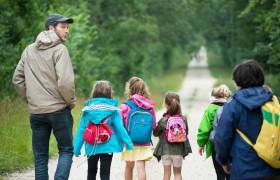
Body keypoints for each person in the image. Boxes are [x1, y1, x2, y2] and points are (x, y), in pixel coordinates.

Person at [12, 14, 76, 180]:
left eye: (67, 27)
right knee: (66, 150)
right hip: (59, 110)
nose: (67, 30)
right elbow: (65, 83)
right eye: (63, 26)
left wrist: (31, 99)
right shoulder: (60, 49)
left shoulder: (29, 50)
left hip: (37, 112)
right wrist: (71, 101)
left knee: (40, 156)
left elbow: (17, 80)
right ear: (51, 27)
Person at [214, 60, 280, 179]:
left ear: (238, 81)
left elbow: (221, 137)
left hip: (243, 169)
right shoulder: (272, 102)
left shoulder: (233, 106)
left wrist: (223, 161)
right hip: (272, 169)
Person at [73, 81, 134, 180]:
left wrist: (77, 148)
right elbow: (120, 129)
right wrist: (129, 144)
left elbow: (81, 130)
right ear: (110, 93)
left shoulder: (87, 110)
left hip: (91, 146)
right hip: (108, 147)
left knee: (91, 172)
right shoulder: (113, 110)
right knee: (105, 173)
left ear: (94, 93)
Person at [120, 76, 156, 180]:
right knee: (141, 168)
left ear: (129, 88)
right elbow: (153, 125)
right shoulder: (149, 106)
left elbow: (120, 125)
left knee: (129, 166)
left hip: (130, 141)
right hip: (144, 141)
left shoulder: (125, 106)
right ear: (144, 89)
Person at [153, 92, 192, 180]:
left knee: (166, 174)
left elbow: (155, 133)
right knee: (177, 174)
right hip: (178, 152)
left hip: (165, 152)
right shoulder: (183, 119)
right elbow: (186, 133)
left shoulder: (163, 120)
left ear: (166, 105)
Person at [197, 85, 231, 180]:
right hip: (230, 144)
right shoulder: (231, 107)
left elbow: (204, 129)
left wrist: (201, 144)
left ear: (214, 97)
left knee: (219, 173)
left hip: (216, 144)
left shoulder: (210, 108)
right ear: (227, 96)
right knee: (230, 173)